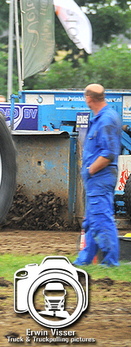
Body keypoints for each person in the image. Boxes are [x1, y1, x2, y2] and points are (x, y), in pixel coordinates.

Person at [74, 84, 121, 267]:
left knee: (102, 220)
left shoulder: (106, 120)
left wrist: (90, 170)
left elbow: (108, 154)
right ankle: (84, 260)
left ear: (89, 98)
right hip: (97, 179)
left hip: (100, 177)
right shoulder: (101, 118)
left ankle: (110, 262)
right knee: (92, 222)